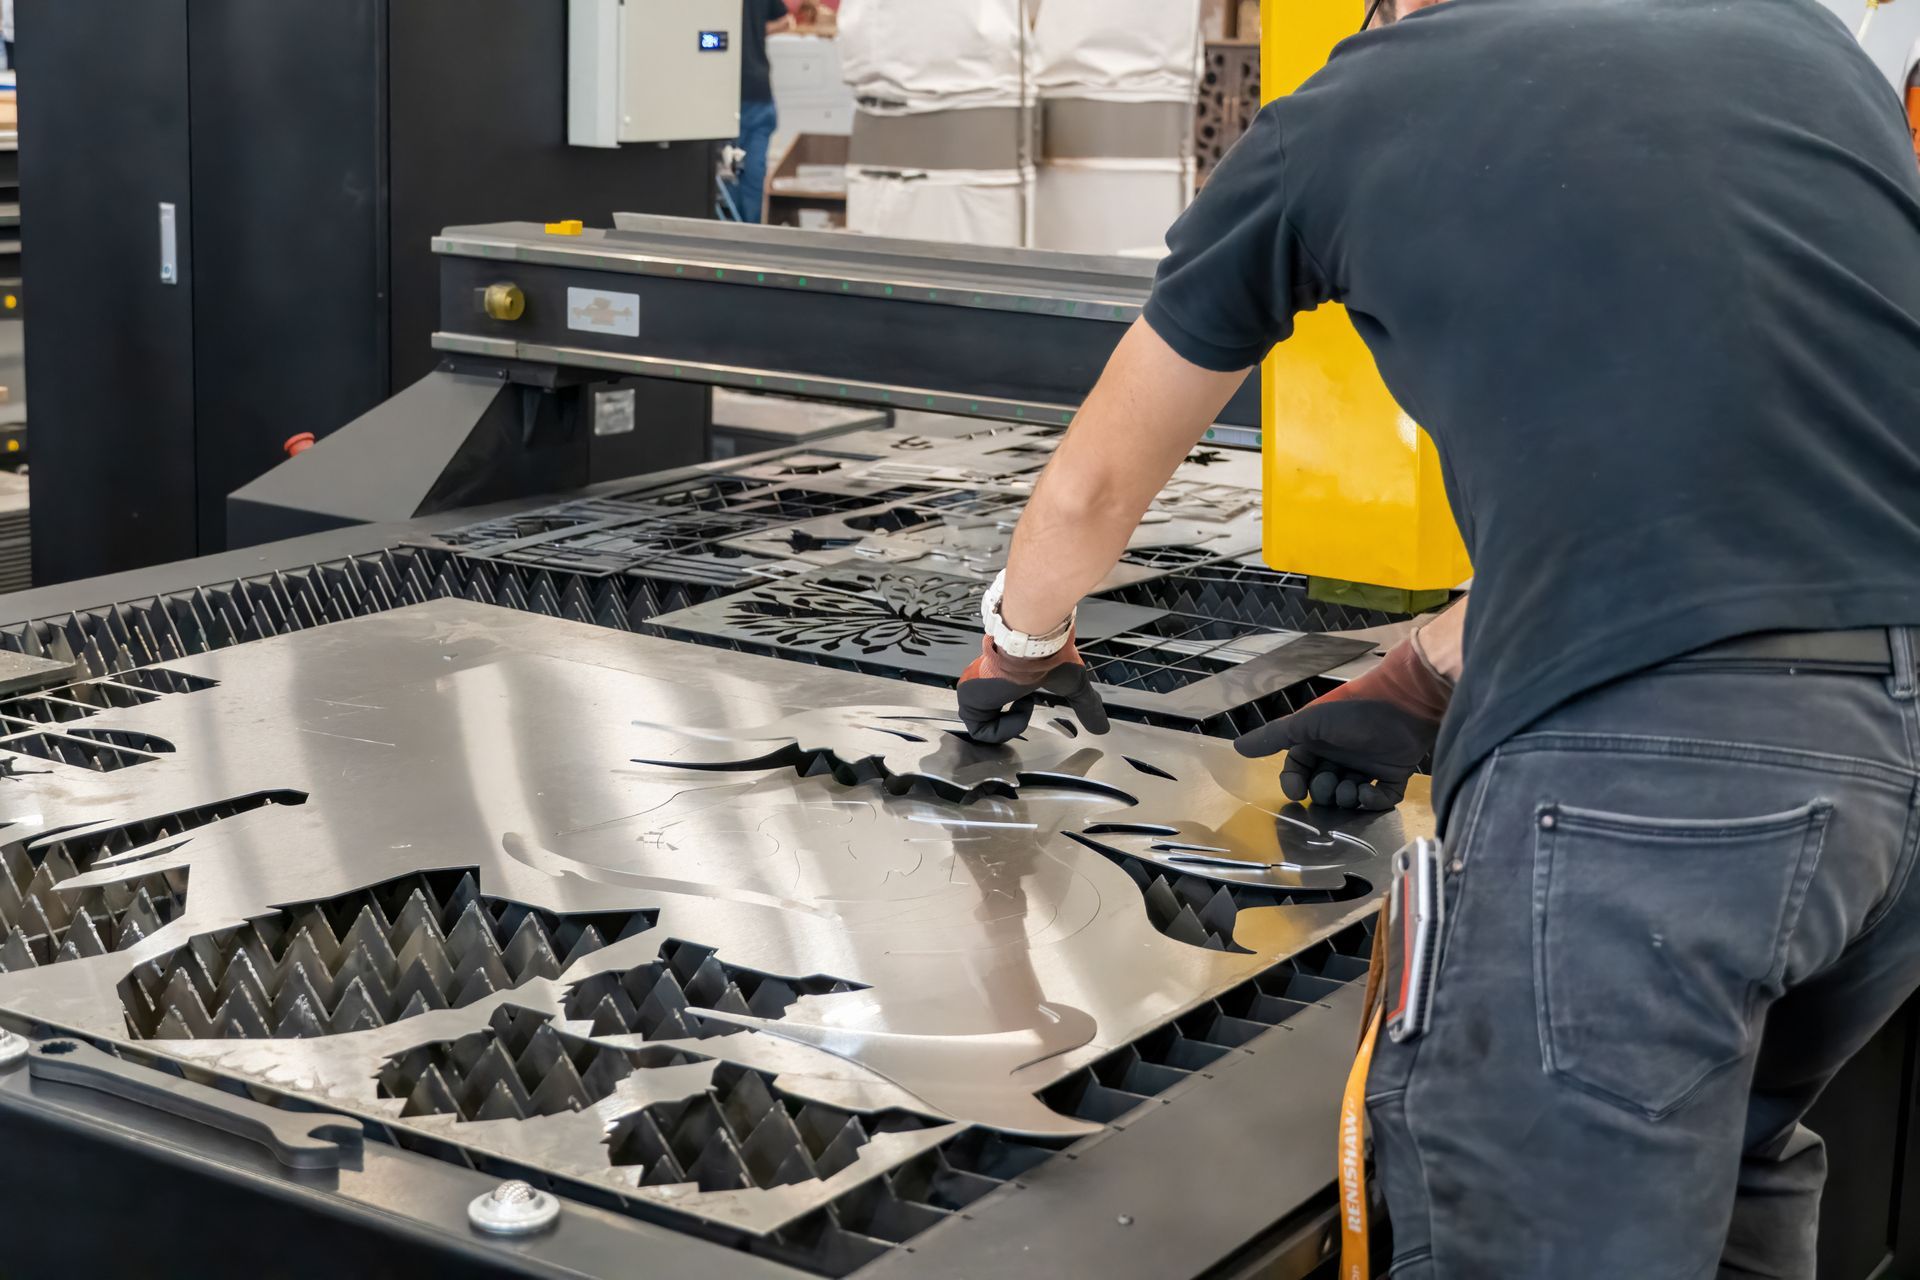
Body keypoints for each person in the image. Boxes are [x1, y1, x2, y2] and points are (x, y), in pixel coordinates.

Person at [954, 0, 1920, 1274]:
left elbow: (1091, 487)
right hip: (1895, 776)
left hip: (1670, 802)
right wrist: (1425, 666)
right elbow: (1738, 469)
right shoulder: (1800, 42)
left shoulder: (1351, 106)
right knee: (1727, 1167)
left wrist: (1023, 639)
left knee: (1535, 1232)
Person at [730, 0, 794, 223]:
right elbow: (785, 20)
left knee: (725, 179)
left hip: (725, 95)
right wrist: (756, 31)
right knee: (752, 180)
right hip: (758, 92)